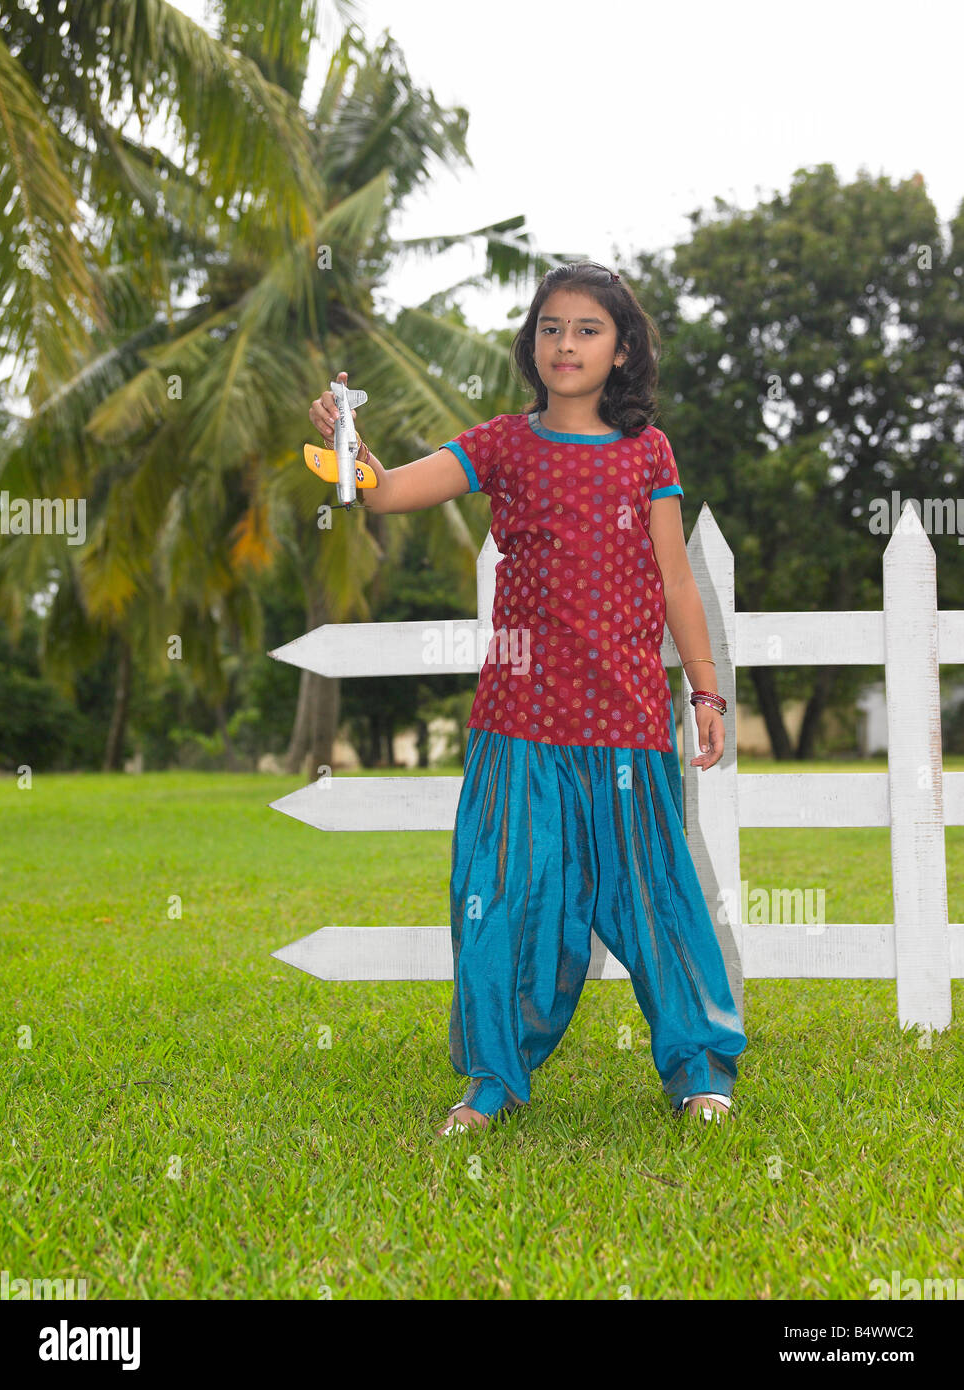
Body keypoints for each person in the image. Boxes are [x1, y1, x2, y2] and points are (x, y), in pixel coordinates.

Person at [308, 261, 747, 1138]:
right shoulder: (502, 443)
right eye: (550, 327)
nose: (565, 344)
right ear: (531, 343)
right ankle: (493, 1081)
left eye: (587, 329)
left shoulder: (645, 451)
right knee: (503, 898)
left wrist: (706, 692)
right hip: (519, 725)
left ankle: (699, 1069)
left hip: (622, 725)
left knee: (654, 896)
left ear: (622, 352)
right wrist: (351, 449)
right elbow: (390, 492)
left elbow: (676, 584)